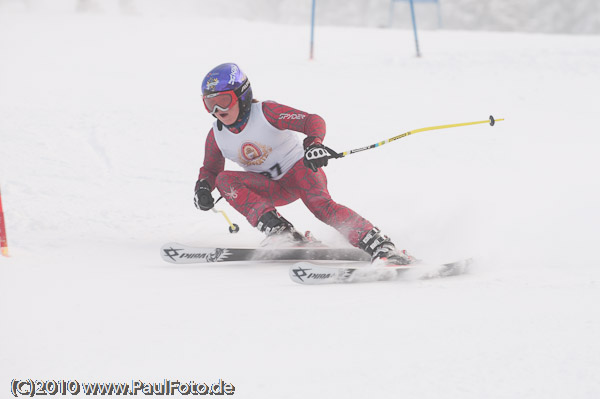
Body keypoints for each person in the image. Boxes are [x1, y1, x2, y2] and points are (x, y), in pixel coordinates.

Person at [193, 63, 412, 265]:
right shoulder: (216, 136)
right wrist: (203, 187)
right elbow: (211, 170)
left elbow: (311, 120)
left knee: (321, 206)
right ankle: (283, 233)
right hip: (270, 187)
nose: (217, 111)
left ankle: (382, 246)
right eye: (209, 104)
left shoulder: (266, 112)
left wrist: (314, 144)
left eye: (223, 101)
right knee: (224, 180)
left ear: (242, 95)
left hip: (300, 171)